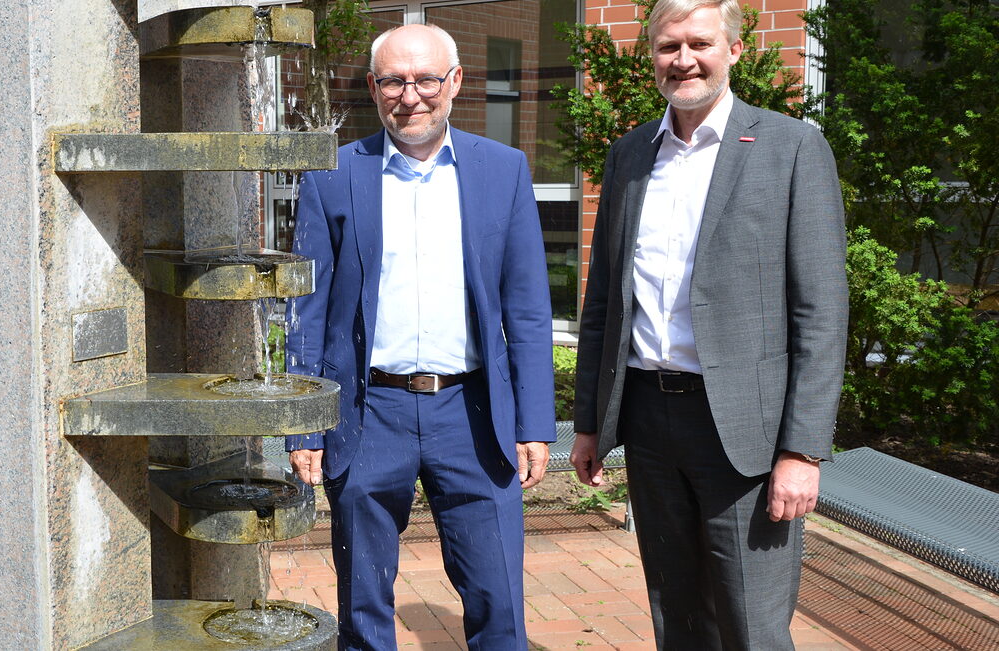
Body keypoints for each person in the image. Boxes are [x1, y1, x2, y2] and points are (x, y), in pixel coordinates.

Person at [570, 0, 847, 647]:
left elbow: (821, 313)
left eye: (700, 42)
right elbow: (604, 304)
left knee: (751, 626)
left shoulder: (792, 148)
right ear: (652, 55)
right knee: (678, 616)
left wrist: (802, 451)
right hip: (648, 422)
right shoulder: (630, 155)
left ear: (735, 51)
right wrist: (589, 421)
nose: (684, 58)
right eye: (669, 46)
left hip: (744, 438)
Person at [284, 23, 555, 651]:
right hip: (367, 412)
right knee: (363, 602)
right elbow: (308, 311)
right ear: (374, 89)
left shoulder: (502, 170)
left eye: (426, 78)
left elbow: (529, 310)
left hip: (473, 414)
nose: (411, 96)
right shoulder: (333, 176)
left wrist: (534, 421)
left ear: (455, 82)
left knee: (497, 598)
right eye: (393, 81)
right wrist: (305, 424)